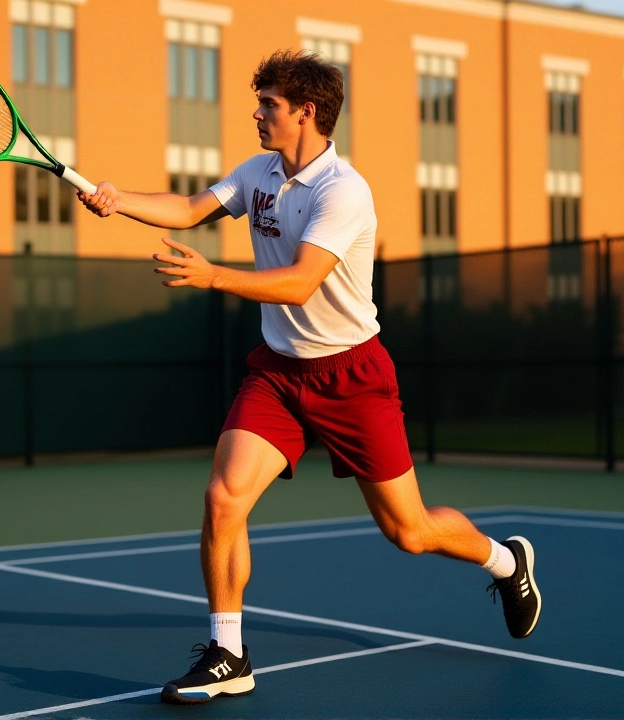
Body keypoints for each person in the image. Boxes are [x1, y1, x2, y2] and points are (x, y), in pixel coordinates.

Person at [77, 49, 541, 705]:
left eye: (268, 103)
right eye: (259, 101)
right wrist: (119, 199)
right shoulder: (257, 173)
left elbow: (298, 283)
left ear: (306, 112)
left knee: (408, 531)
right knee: (223, 499)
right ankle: (228, 654)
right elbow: (187, 207)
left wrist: (211, 276)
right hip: (277, 374)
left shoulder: (342, 190)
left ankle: (505, 560)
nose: (257, 113)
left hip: (353, 375)